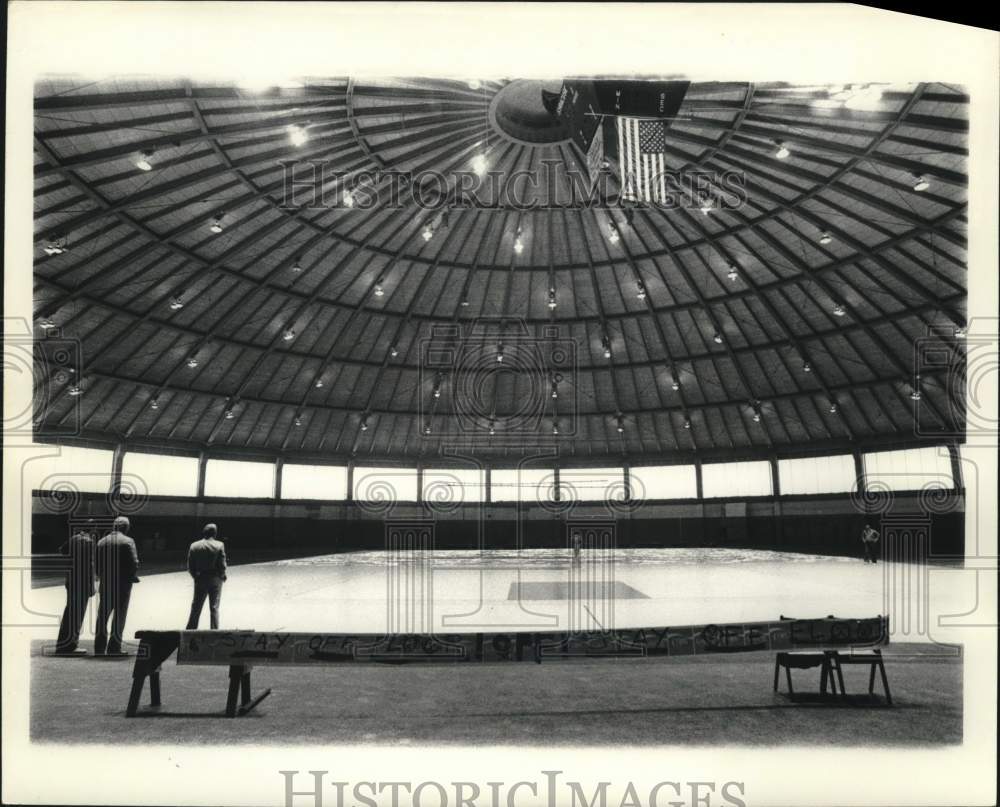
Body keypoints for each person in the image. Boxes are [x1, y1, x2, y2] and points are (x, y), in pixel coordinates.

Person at [95, 515, 140, 656]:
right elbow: (134, 562)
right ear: (126, 527)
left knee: (102, 616)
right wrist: (132, 575)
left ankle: (99, 647)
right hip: (123, 584)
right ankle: (114, 647)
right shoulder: (128, 541)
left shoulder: (102, 542)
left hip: (106, 583)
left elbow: (96, 564)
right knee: (119, 616)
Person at [54, 524, 96, 655]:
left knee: (69, 612)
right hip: (82, 582)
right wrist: (92, 586)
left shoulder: (73, 538)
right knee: (77, 615)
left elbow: (62, 550)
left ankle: (62, 645)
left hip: (71, 580)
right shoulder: (89, 541)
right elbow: (90, 565)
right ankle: (71, 646)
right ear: (93, 530)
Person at [186, 523, 227, 630]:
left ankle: (190, 630)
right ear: (215, 533)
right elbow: (222, 565)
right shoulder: (219, 545)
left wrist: (195, 577)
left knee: (196, 607)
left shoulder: (194, 545)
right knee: (214, 607)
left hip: (200, 578)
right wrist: (222, 576)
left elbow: (190, 566)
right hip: (215, 578)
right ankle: (214, 631)